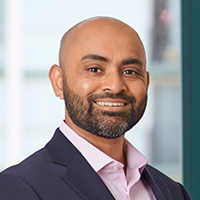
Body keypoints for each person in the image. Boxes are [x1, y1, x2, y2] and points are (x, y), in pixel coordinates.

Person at [0, 17, 190, 200]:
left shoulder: (173, 192)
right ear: (59, 82)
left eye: (130, 72)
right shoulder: (18, 188)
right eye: (94, 69)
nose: (115, 86)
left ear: (146, 83)